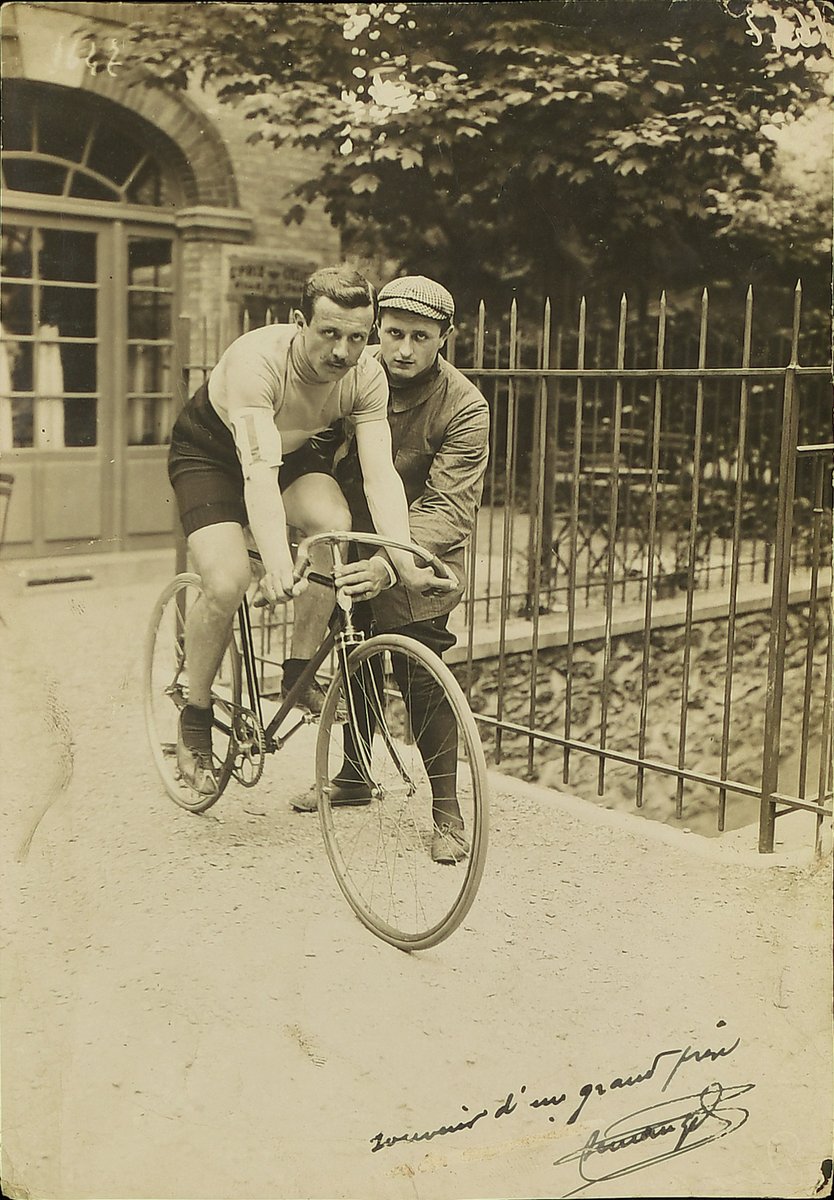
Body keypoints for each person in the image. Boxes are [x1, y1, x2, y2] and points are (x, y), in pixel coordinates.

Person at [167, 266, 443, 795]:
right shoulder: (257, 362)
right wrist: (274, 564)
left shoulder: (367, 374)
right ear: (300, 322)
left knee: (333, 527)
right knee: (226, 582)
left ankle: (298, 668)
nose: (343, 352)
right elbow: (257, 473)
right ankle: (195, 715)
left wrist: (405, 560)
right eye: (329, 333)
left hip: (290, 453)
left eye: (358, 338)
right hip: (214, 454)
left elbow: (381, 473)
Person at [292, 275, 491, 865]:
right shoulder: (349, 372)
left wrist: (390, 562)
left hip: (414, 560)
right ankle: (354, 774)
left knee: (420, 675)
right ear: (378, 329)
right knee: (351, 651)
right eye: (394, 333)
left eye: (420, 338)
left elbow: (450, 506)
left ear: (445, 339)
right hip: (347, 535)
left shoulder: (465, 406)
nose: (403, 349)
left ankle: (448, 811)